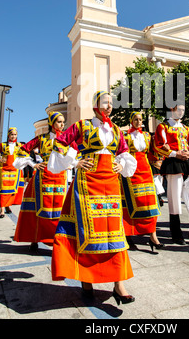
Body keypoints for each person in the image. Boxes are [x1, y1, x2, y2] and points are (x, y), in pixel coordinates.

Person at [47, 91, 137, 304]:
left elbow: (124, 153)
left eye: (111, 104)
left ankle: (119, 283)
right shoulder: (83, 126)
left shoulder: (116, 130)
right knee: (87, 230)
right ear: (96, 104)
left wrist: (121, 165)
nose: (109, 107)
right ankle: (86, 282)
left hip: (111, 183)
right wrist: (74, 162)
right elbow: (59, 144)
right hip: (87, 183)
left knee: (114, 231)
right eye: (105, 103)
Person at [13, 112, 77, 251]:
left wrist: (72, 163)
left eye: (63, 122)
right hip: (42, 178)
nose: (62, 124)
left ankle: (57, 240)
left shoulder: (67, 139)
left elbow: (77, 153)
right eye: (59, 122)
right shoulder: (42, 139)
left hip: (60, 178)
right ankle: (35, 238)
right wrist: (33, 164)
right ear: (52, 123)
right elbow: (22, 151)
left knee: (59, 211)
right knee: (37, 210)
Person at [154, 104, 189, 247]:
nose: (181, 113)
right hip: (173, 163)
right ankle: (176, 234)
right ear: (172, 110)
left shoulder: (187, 129)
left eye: (183, 110)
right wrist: (175, 153)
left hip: (188, 164)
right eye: (179, 110)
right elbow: (159, 145)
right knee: (174, 198)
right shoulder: (163, 127)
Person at [121, 112, 163, 252]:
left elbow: (152, 151)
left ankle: (153, 235)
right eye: (135, 120)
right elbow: (120, 152)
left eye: (140, 120)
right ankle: (128, 235)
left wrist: (158, 161)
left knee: (150, 202)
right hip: (130, 170)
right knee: (131, 202)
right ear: (131, 121)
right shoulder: (125, 136)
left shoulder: (146, 136)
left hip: (145, 169)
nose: (138, 122)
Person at [0, 127, 25, 218]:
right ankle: (2, 211)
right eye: (11, 134)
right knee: (3, 190)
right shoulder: (2, 145)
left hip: (15, 171)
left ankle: (8, 206)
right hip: (3, 170)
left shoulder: (19, 145)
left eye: (15, 134)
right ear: (8, 135)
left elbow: (26, 154)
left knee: (11, 191)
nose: (13, 136)